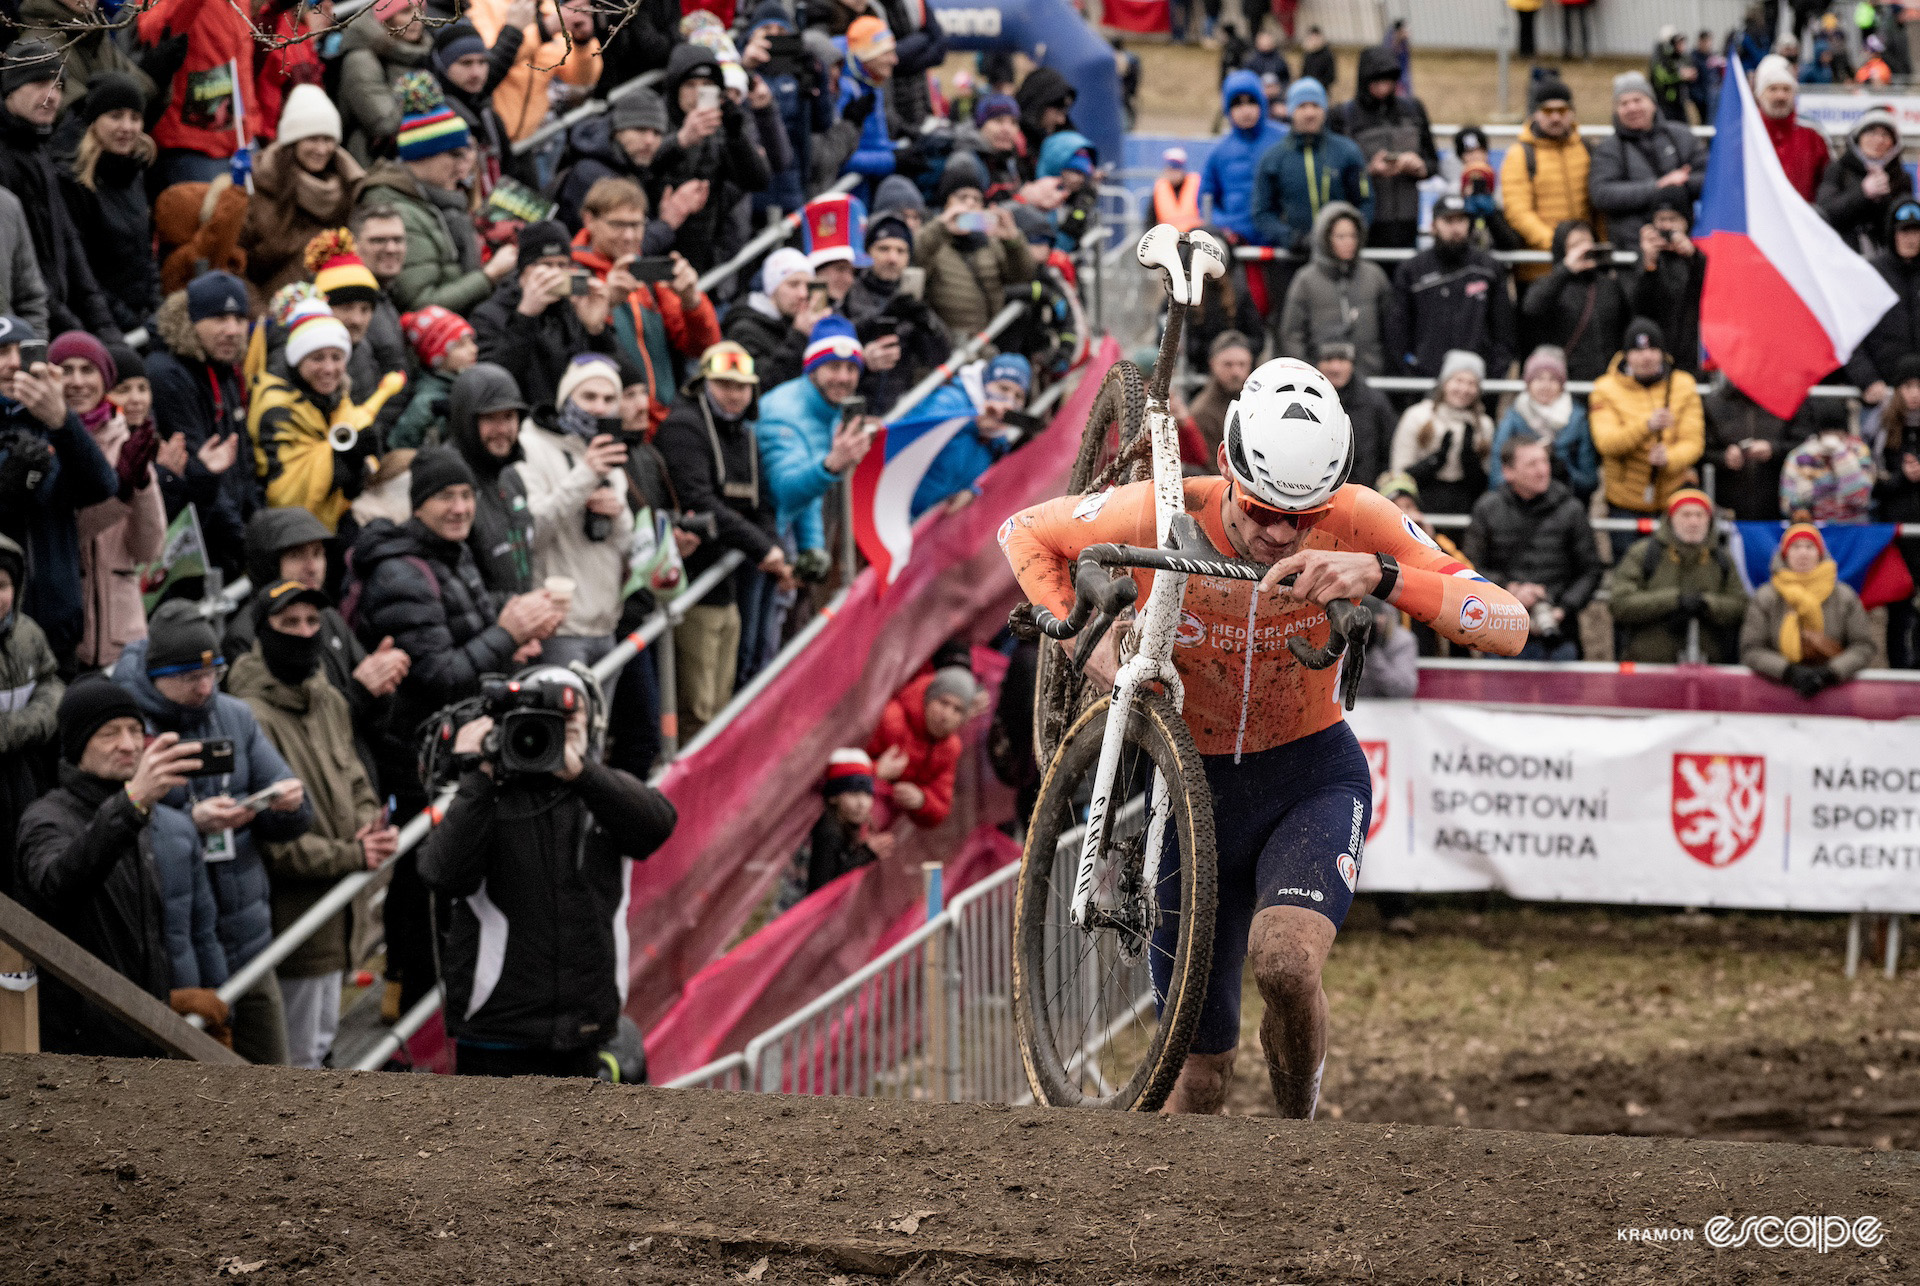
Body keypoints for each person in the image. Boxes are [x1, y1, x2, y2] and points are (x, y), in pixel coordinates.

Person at [1000, 356, 1528, 1117]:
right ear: (1226, 465)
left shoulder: (1361, 519)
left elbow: (1507, 624)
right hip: (1194, 796)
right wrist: (1089, 635)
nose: (1277, 534)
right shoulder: (1164, 509)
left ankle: (1296, 1136)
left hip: (1308, 777)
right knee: (1199, 1072)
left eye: (1300, 518)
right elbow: (1023, 533)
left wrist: (1381, 576)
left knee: (1285, 964)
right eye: (1259, 511)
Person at [343, 448, 564, 1011]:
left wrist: (511, 616)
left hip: (450, 746)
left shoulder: (448, 554)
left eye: (466, 496)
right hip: (416, 754)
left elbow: (461, 615)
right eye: (446, 497)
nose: (461, 507)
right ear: (419, 505)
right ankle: (409, 995)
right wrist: (507, 632)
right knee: (423, 883)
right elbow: (437, 676)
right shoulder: (399, 572)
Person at [424, 665, 676, 1078]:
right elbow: (443, 874)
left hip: (584, 1029)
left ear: (591, 724)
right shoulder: (485, 795)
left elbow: (657, 826)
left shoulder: (603, 795)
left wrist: (582, 772)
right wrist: (477, 774)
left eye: (567, 719)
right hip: (496, 1032)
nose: (548, 731)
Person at [112, 602, 314, 1065]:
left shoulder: (235, 716)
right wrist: (190, 820)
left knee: (275, 1081)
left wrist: (283, 805)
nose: (204, 687)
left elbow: (301, 820)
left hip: (247, 939)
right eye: (189, 678)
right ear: (157, 676)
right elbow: (115, 818)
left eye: (213, 673)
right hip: (175, 952)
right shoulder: (128, 727)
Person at [227, 580, 399, 1070]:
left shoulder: (329, 700)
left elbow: (356, 778)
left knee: (322, 1047)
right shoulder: (249, 717)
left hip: (343, 911)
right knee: (299, 1062)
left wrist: (369, 829)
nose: (305, 633)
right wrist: (351, 854)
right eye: (289, 623)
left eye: (311, 622)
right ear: (264, 633)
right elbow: (269, 839)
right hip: (294, 922)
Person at [15, 677, 230, 1055]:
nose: (128, 745)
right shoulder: (47, 817)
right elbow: (56, 886)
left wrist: (167, 1002)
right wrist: (132, 805)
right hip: (81, 1050)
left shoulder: (134, 812)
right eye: (110, 733)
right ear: (78, 745)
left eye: (135, 730)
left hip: (143, 1034)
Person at [655, 343, 789, 740]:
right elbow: (699, 500)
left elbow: (764, 502)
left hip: (730, 580)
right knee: (697, 707)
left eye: (742, 387)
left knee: (721, 700)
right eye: (725, 384)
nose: (734, 394)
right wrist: (764, 549)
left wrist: (770, 548)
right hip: (694, 584)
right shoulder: (683, 428)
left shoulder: (745, 435)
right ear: (703, 384)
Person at [0, 313, 118, 669]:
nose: (13, 363)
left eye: (23, 351)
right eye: (2, 352)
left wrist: (63, 421)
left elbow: (101, 486)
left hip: (59, 634)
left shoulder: (50, 422)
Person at [571, 178, 721, 430]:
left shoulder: (648, 276)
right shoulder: (572, 276)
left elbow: (702, 347)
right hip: (607, 423)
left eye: (637, 225)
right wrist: (607, 304)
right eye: (618, 225)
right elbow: (570, 348)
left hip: (664, 422)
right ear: (589, 220)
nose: (629, 236)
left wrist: (691, 300)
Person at [353, 88, 520, 315]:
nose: (464, 166)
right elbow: (421, 302)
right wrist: (489, 275)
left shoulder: (434, 201)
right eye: (454, 155)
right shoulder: (398, 210)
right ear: (423, 153)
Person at [516, 355, 634, 669]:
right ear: (566, 398)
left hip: (606, 624)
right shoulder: (530, 447)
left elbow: (625, 546)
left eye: (609, 399)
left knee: (601, 720)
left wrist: (619, 513)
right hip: (558, 628)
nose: (599, 407)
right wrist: (584, 476)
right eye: (588, 396)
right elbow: (532, 533)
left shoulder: (608, 452)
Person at [0, 42, 121, 341]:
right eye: (41, 84)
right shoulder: (5, 159)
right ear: (11, 90)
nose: (51, 96)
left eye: (58, 86)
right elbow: (25, 271)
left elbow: (69, 244)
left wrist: (103, 326)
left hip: (52, 318)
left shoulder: (39, 151)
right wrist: (77, 332)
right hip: (20, 329)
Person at [58, 332, 165, 672]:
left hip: (123, 634)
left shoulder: (126, 442)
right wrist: (119, 489)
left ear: (104, 379)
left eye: (88, 370)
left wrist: (142, 484)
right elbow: (69, 532)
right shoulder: (44, 440)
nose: (77, 382)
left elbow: (148, 550)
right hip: (64, 635)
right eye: (66, 370)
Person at [1462, 432, 1602, 661]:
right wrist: (1510, 590)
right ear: (1508, 472)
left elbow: (1590, 570)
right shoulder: (1488, 509)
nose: (1542, 470)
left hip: (1559, 635)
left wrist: (1562, 608)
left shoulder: (1571, 509)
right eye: (1531, 464)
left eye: (1544, 461)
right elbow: (1469, 566)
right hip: (1502, 631)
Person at [758, 317, 877, 572]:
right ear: (812, 369)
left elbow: (810, 488)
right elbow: (784, 493)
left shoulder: (831, 408)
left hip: (780, 538)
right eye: (833, 367)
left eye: (851, 368)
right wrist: (832, 464)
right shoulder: (783, 412)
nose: (844, 378)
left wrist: (813, 548)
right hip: (760, 547)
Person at [472, 219, 620, 415]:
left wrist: (596, 330)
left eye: (562, 265)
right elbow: (491, 383)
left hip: (574, 423)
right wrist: (525, 316)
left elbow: (614, 377)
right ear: (523, 270)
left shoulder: (575, 308)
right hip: (524, 423)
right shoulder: (489, 315)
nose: (556, 274)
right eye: (546, 265)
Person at [58, 73, 161, 337]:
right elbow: (79, 271)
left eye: (135, 118)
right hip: (99, 325)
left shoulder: (135, 173)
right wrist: (126, 320)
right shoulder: (72, 183)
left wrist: (154, 310)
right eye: (115, 116)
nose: (127, 127)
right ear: (94, 121)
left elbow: (145, 257)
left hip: (140, 320)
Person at [239, 87, 365, 300]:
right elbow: (236, 264)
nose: (321, 149)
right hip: (273, 310)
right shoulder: (259, 186)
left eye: (328, 139)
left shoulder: (351, 187)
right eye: (312, 139)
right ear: (292, 142)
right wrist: (260, 316)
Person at [1607, 489, 1749, 663]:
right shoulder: (1644, 553)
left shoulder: (1721, 559)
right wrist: (1674, 601)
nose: (1693, 522)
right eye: (1686, 515)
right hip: (1650, 667)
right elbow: (1620, 603)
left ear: (1709, 520)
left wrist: (1706, 604)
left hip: (1709, 667)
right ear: (1671, 518)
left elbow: (1740, 605)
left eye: (1700, 515)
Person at [1385, 195, 1515, 383]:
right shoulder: (1412, 270)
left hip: (1477, 383)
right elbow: (1397, 331)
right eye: (1448, 220)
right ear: (1433, 225)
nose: (1456, 228)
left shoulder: (1488, 268)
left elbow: (1504, 330)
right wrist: (1411, 372)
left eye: (1461, 220)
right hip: (1426, 381)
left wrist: (1493, 373)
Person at [1249, 79, 1371, 278]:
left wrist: (1349, 236)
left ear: (1324, 109)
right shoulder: (1274, 158)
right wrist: (1291, 238)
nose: (1310, 113)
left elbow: (1365, 202)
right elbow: (1262, 212)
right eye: (1302, 106)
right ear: (1291, 111)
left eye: (1315, 105)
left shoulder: (1347, 152)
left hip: (1342, 262)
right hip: (1291, 262)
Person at [1741, 524, 1876, 696]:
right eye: (1796, 547)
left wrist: (1830, 673)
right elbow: (1751, 649)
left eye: (1809, 546)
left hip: (1836, 692)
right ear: (1785, 554)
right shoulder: (1766, 597)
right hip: (1774, 691)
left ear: (1819, 553)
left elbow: (1863, 646)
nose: (1803, 553)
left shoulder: (1844, 596)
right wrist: (1788, 672)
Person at [1589, 318, 1704, 518]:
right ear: (1626, 355)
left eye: (1652, 349)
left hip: (1671, 495)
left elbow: (1694, 442)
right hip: (1624, 499)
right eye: (1638, 350)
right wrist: (1646, 425)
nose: (1646, 357)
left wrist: (1670, 458)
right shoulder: (1605, 388)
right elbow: (1606, 443)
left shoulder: (1683, 385)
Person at [1328, 45, 1438, 250]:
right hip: (1364, 221)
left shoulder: (1413, 110)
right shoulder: (1343, 116)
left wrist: (1420, 168)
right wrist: (1369, 171)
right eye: (1376, 82)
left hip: (1407, 220)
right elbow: (1333, 173)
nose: (1383, 89)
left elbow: (1433, 162)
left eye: (1388, 82)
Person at [135, 0, 256, 185]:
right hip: (188, 144)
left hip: (240, 138)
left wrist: (251, 123)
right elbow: (154, 33)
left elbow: (240, 59)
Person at [844, 211, 953, 414]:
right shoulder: (849, 292)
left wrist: (927, 322)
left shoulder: (913, 298)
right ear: (868, 252)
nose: (892, 258)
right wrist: (883, 316)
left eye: (901, 251)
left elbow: (939, 356)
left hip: (899, 406)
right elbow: (841, 338)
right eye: (883, 249)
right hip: (853, 403)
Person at [0, 535, 61, 895]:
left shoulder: (28, 635)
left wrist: (19, 727)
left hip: (25, 773)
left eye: (4, 585)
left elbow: (50, 683)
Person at [1589, 71, 1707, 255]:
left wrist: (1682, 183)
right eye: (1624, 103)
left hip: (1688, 245)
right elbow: (1602, 194)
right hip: (1634, 249)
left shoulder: (1681, 136)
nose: (1632, 108)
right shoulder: (1609, 149)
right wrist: (1659, 186)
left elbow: (1711, 178)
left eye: (1638, 100)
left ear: (1653, 103)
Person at [915, 171, 1033, 338]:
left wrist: (1013, 241)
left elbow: (1022, 275)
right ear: (947, 203)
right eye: (962, 198)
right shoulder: (934, 241)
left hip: (987, 340)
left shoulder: (991, 244)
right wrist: (941, 227)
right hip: (947, 342)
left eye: (977, 199)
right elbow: (914, 259)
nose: (970, 204)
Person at [1279, 202, 1391, 380]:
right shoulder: (1305, 280)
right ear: (1325, 237)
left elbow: (1391, 329)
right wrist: (1307, 375)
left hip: (1369, 377)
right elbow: (1292, 335)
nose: (1349, 242)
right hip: (1319, 380)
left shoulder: (1374, 276)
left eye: (1353, 236)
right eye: (1340, 236)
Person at [1500, 74, 1592, 287]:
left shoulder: (1585, 149)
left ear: (1571, 113)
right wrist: (1559, 245)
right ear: (1535, 113)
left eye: (1561, 111)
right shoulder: (1520, 154)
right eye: (1547, 111)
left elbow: (1595, 211)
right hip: (1537, 271)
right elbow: (1518, 212)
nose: (1555, 118)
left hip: (1583, 265)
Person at [1389, 349, 1494, 516]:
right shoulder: (1417, 415)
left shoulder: (1484, 425)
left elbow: (1484, 482)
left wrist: (1469, 460)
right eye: (1458, 380)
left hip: (1465, 506)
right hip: (1422, 502)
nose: (1464, 389)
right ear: (1445, 382)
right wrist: (1435, 461)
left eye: (1471, 383)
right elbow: (1399, 473)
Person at [867, 666, 974, 829]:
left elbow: (941, 806)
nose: (946, 715)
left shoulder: (949, 748)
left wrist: (922, 800)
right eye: (943, 702)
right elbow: (836, 764)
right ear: (928, 698)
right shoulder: (891, 719)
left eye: (957, 709)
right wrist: (876, 771)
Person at [1199, 70, 1287, 254]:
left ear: (1261, 103)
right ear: (1228, 110)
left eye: (1251, 102)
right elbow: (1205, 200)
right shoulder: (1219, 151)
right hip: (1237, 247)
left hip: (1282, 245)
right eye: (1237, 104)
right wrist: (1227, 226)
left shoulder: (1284, 139)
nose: (1245, 110)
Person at [339, 0, 436, 164]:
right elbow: (384, 123)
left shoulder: (420, 55)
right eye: (405, 11)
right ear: (386, 18)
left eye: (420, 11)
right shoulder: (361, 59)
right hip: (375, 162)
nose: (416, 18)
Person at [1868, 358, 1920, 666]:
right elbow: (1873, 486)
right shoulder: (1883, 430)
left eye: (1919, 386)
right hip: (1896, 534)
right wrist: (1903, 478)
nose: (1915, 393)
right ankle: (1900, 670)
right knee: (1898, 609)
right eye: (1908, 386)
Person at [1492, 346, 1597, 498]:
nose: (1545, 386)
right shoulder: (1512, 420)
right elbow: (1497, 477)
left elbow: (1589, 482)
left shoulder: (1578, 420)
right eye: (1539, 378)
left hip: (1565, 506)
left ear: (1561, 385)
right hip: (1520, 507)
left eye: (1553, 379)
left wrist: (1563, 470)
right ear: (1528, 383)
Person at [725, 248, 828, 395]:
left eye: (808, 286)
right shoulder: (744, 330)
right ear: (772, 289)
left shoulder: (800, 320)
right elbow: (761, 384)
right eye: (793, 284)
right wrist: (799, 336)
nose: (803, 294)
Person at [1626, 197, 1705, 375]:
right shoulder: (1647, 258)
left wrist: (1693, 257)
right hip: (1657, 356)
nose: (1667, 226)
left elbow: (1710, 294)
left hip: (1694, 352)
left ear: (1687, 222)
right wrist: (1649, 264)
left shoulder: (1700, 255)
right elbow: (1638, 308)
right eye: (1661, 220)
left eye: (1673, 219)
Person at [1818, 108, 1912, 255]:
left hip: (1884, 255)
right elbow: (1826, 212)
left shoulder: (1901, 177)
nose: (1878, 140)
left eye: (1885, 135)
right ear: (1858, 138)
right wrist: (1863, 193)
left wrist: (1883, 198)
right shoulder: (1838, 169)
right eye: (1872, 133)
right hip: (1842, 251)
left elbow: (1904, 224)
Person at [803, 749, 896, 893]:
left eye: (867, 794)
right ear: (833, 797)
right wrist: (866, 853)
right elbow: (822, 887)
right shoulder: (828, 832)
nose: (862, 803)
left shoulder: (848, 824)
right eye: (853, 794)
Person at [389, 306, 478, 449]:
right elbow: (399, 446)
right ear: (438, 357)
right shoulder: (426, 403)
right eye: (461, 345)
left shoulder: (466, 383)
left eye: (471, 341)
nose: (473, 349)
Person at [1704, 382, 1793, 522]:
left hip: (1778, 505)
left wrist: (1774, 449)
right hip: (1728, 506)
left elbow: (1804, 444)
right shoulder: (1715, 403)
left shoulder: (1790, 400)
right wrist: (1723, 458)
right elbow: (1701, 452)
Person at [1318, 340, 1395, 493]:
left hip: (1364, 494)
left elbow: (1388, 450)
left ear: (1352, 364)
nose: (1335, 367)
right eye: (1328, 360)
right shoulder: (1303, 401)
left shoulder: (1375, 402)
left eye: (1342, 360)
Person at [1752, 55, 1830, 203]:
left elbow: (1828, 181)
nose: (1780, 96)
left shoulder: (1812, 133)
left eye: (1786, 89)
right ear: (1760, 95)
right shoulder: (1746, 132)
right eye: (1773, 89)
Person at [1779, 427, 1876, 523]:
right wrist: (1804, 497)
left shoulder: (1858, 451)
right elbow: (1787, 506)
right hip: (1816, 528)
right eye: (1827, 432)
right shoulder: (1801, 455)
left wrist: (1842, 456)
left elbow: (1862, 500)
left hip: (1852, 529)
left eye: (1837, 433)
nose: (1832, 437)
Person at [1188, 331, 1254, 463]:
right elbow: (1210, 466)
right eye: (1228, 364)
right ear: (1213, 364)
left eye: (1242, 364)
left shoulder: (1258, 403)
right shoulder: (1203, 412)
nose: (1236, 372)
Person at [1354, 596, 1418, 698]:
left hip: (1390, 710)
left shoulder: (1402, 641)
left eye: (1379, 613)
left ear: (1389, 616)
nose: (1375, 621)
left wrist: (1370, 652)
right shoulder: (1346, 637)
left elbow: (1405, 690)